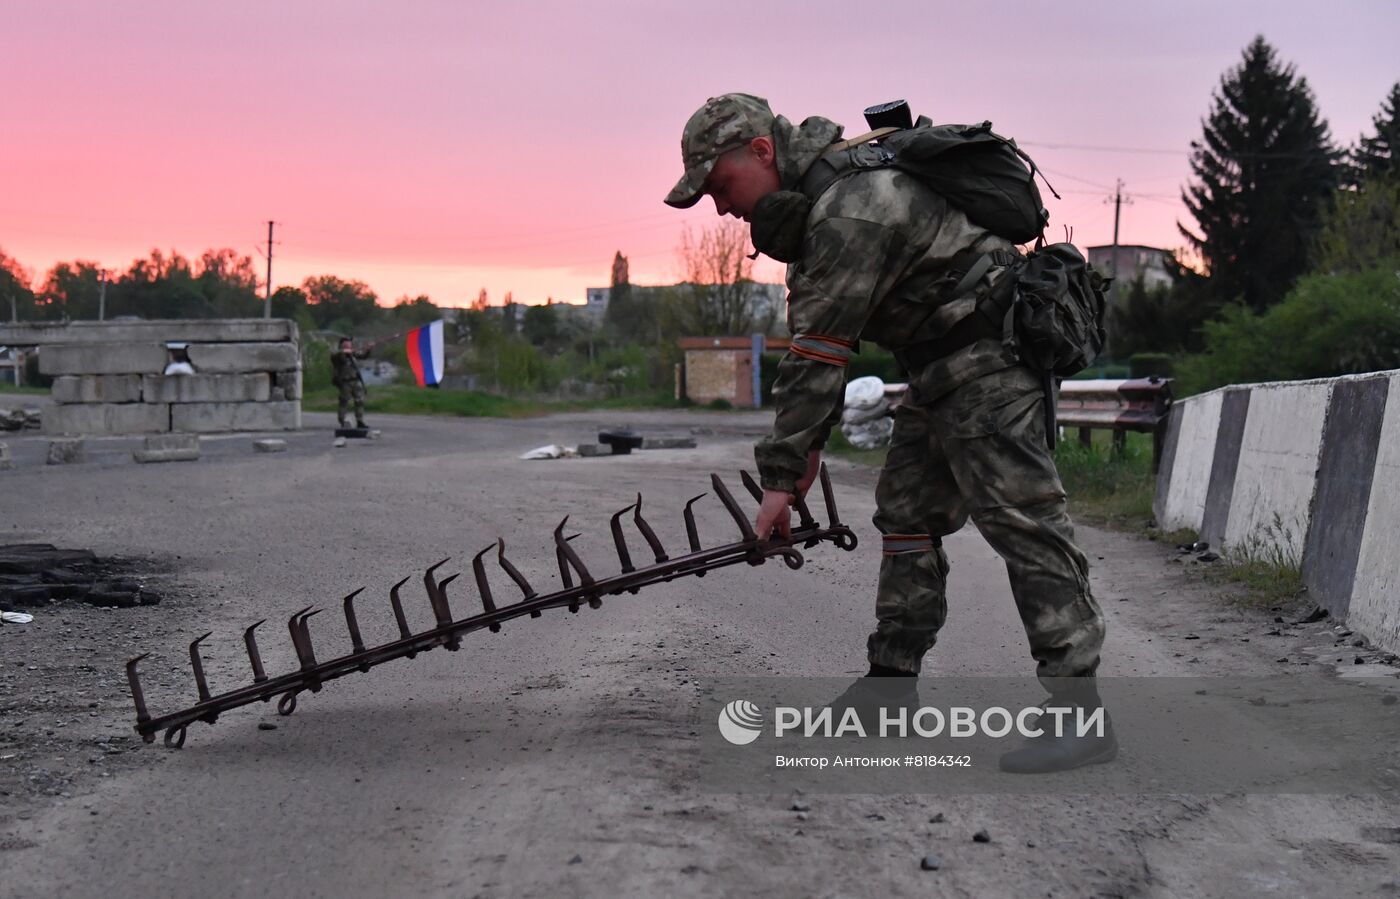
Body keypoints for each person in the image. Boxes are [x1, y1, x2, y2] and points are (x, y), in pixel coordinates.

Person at [664, 93, 1113, 773]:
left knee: (1023, 522)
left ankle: (1081, 714)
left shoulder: (849, 207)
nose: (722, 208)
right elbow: (821, 348)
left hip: (991, 363)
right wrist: (803, 455)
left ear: (762, 151)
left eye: (722, 187)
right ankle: (889, 690)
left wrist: (783, 478)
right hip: (940, 372)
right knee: (906, 514)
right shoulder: (825, 207)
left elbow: (819, 352)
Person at [331, 337, 372, 429]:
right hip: (345, 382)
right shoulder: (337, 355)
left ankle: (360, 420)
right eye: (347, 343)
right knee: (344, 402)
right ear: (342, 344)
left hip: (356, 380)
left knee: (360, 401)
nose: (349, 345)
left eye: (350, 343)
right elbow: (336, 356)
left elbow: (363, 356)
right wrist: (345, 352)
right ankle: (342, 420)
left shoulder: (352, 354)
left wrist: (368, 349)